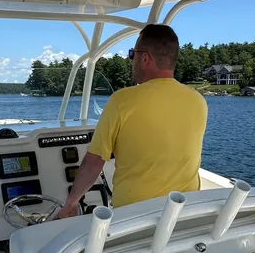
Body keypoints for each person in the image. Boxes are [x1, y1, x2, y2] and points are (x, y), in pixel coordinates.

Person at [56, 24, 208, 219]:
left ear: (145, 58)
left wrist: (71, 203)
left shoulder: (122, 101)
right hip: (183, 216)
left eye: (132, 54)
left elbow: (94, 162)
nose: (131, 60)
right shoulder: (198, 101)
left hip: (133, 219)